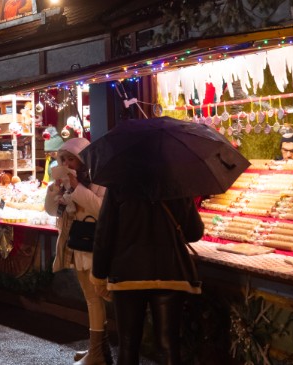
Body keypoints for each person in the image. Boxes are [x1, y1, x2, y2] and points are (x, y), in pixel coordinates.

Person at [91, 189, 204, 365]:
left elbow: (104, 233)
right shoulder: (177, 185)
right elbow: (194, 232)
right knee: (169, 346)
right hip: (170, 273)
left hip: (127, 274)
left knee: (128, 345)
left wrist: (98, 275)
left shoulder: (118, 183)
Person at [43, 137, 110, 365]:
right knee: (91, 298)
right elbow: (51, 211)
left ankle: (98, 353)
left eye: (70, 159)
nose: (66, 164)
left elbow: (101, 210)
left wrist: (76, 187)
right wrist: (54, 190)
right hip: (76, 244)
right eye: (62, 160)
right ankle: (98, 348)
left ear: (82, 160)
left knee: (95, 298)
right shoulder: (65, 183)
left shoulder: (99, 180)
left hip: (95, 247)